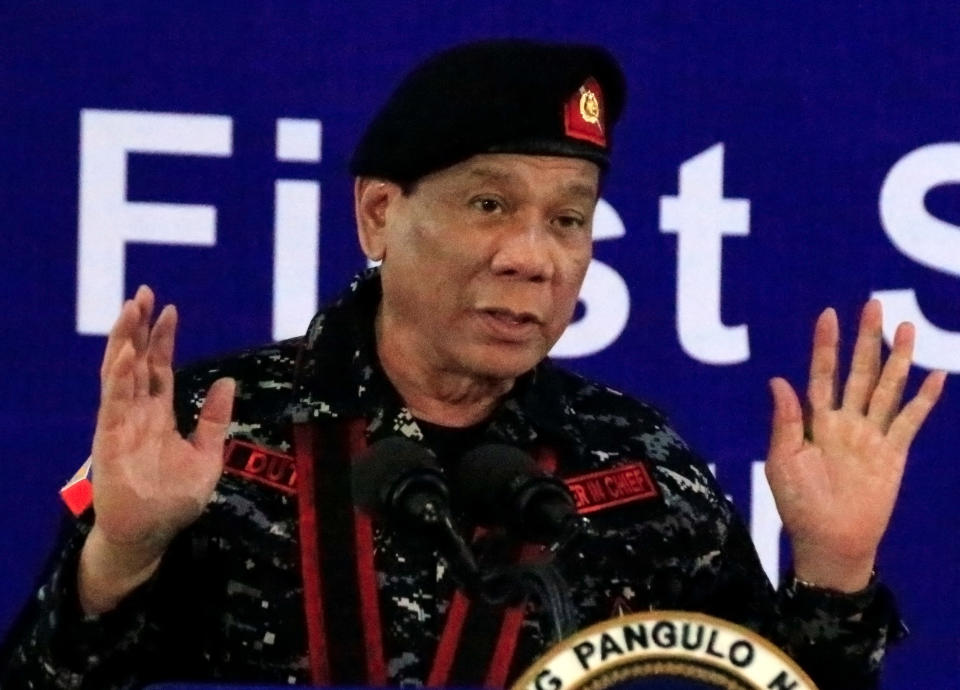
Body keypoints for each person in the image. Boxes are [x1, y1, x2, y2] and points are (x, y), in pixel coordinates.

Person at [0, 39, 945, 690]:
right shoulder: (212, 424)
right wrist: (119, 557)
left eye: (567, 218)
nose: (533, 256)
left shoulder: (641, 461)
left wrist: (833, 567)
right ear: (378, 214)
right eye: (490, 205)